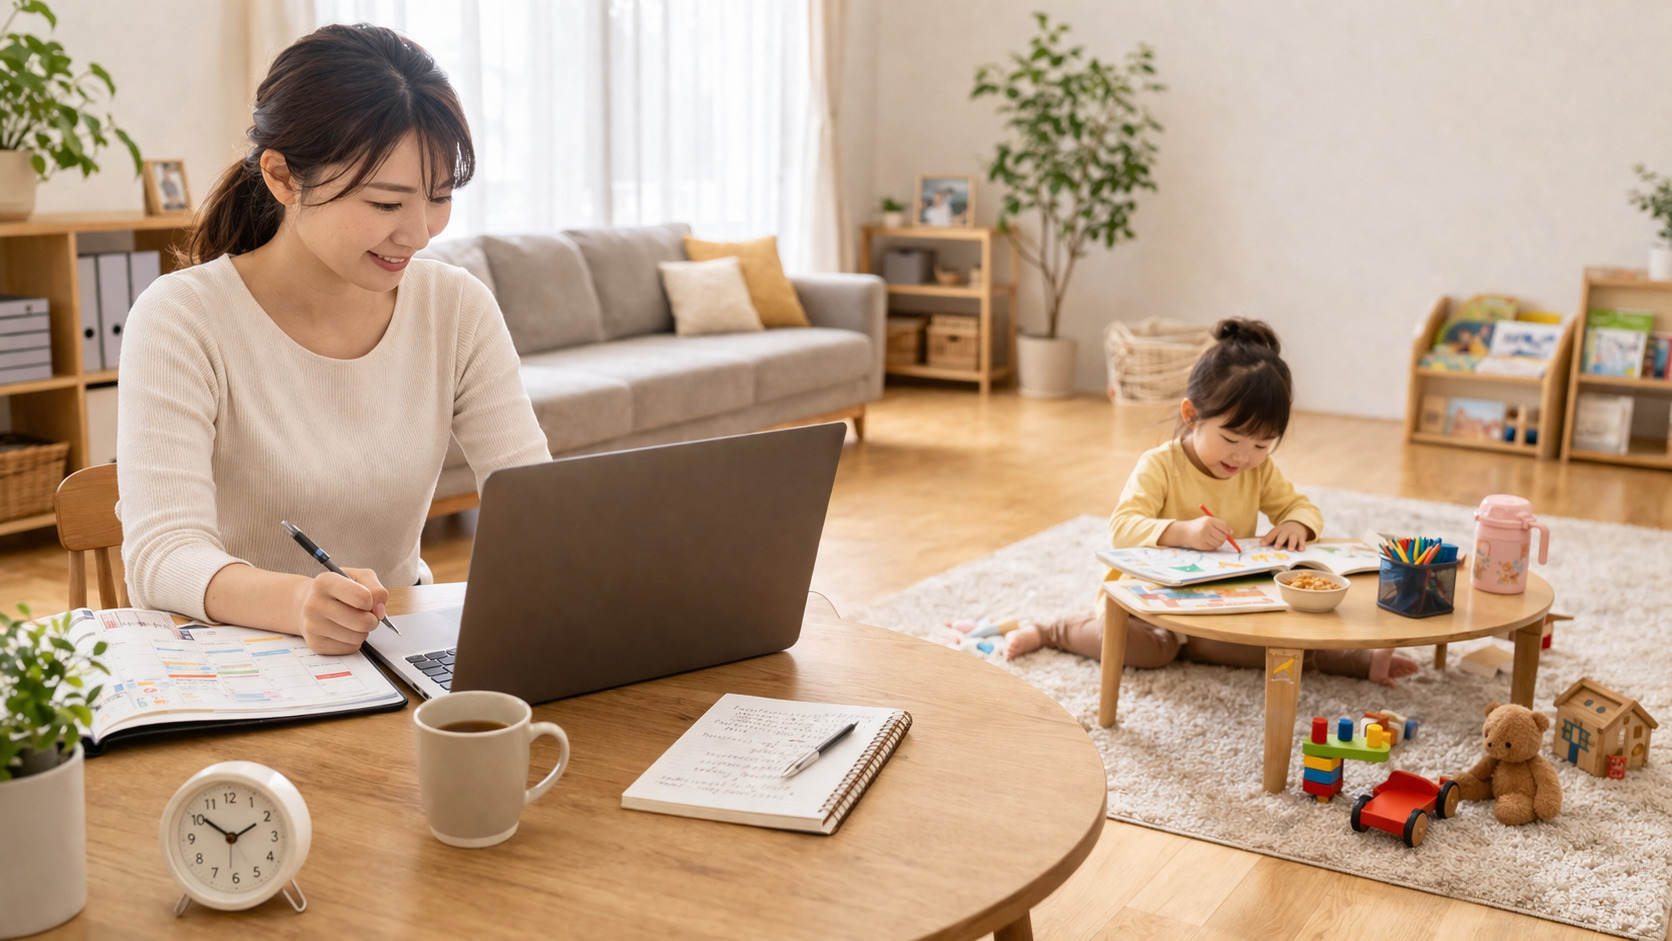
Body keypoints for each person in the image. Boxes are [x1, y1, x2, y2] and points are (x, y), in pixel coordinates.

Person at [117, 24, 550, 656]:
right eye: (384, 204)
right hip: (239, 658)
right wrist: (298, 602)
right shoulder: (181, 318)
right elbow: (161, 556)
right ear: (284, 178)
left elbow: (532, 501)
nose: (420, 232)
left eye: (439, 198)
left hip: (401, 647)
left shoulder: (455, 307)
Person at [1004, 318, 1420, 688]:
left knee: (1274, 644)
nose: (1243, 456)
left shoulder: (1257, 471)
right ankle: (1051, 630)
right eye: (1231, 439)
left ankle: (1356, 661)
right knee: (1153, 650)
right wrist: (1182, 532)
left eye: (1261, 444)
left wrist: (1297, 525)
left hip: (1219, 605)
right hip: (1146, 605)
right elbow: (1122, 528)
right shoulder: (1160, 465)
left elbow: (1303, 508)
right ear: (1191, 415)